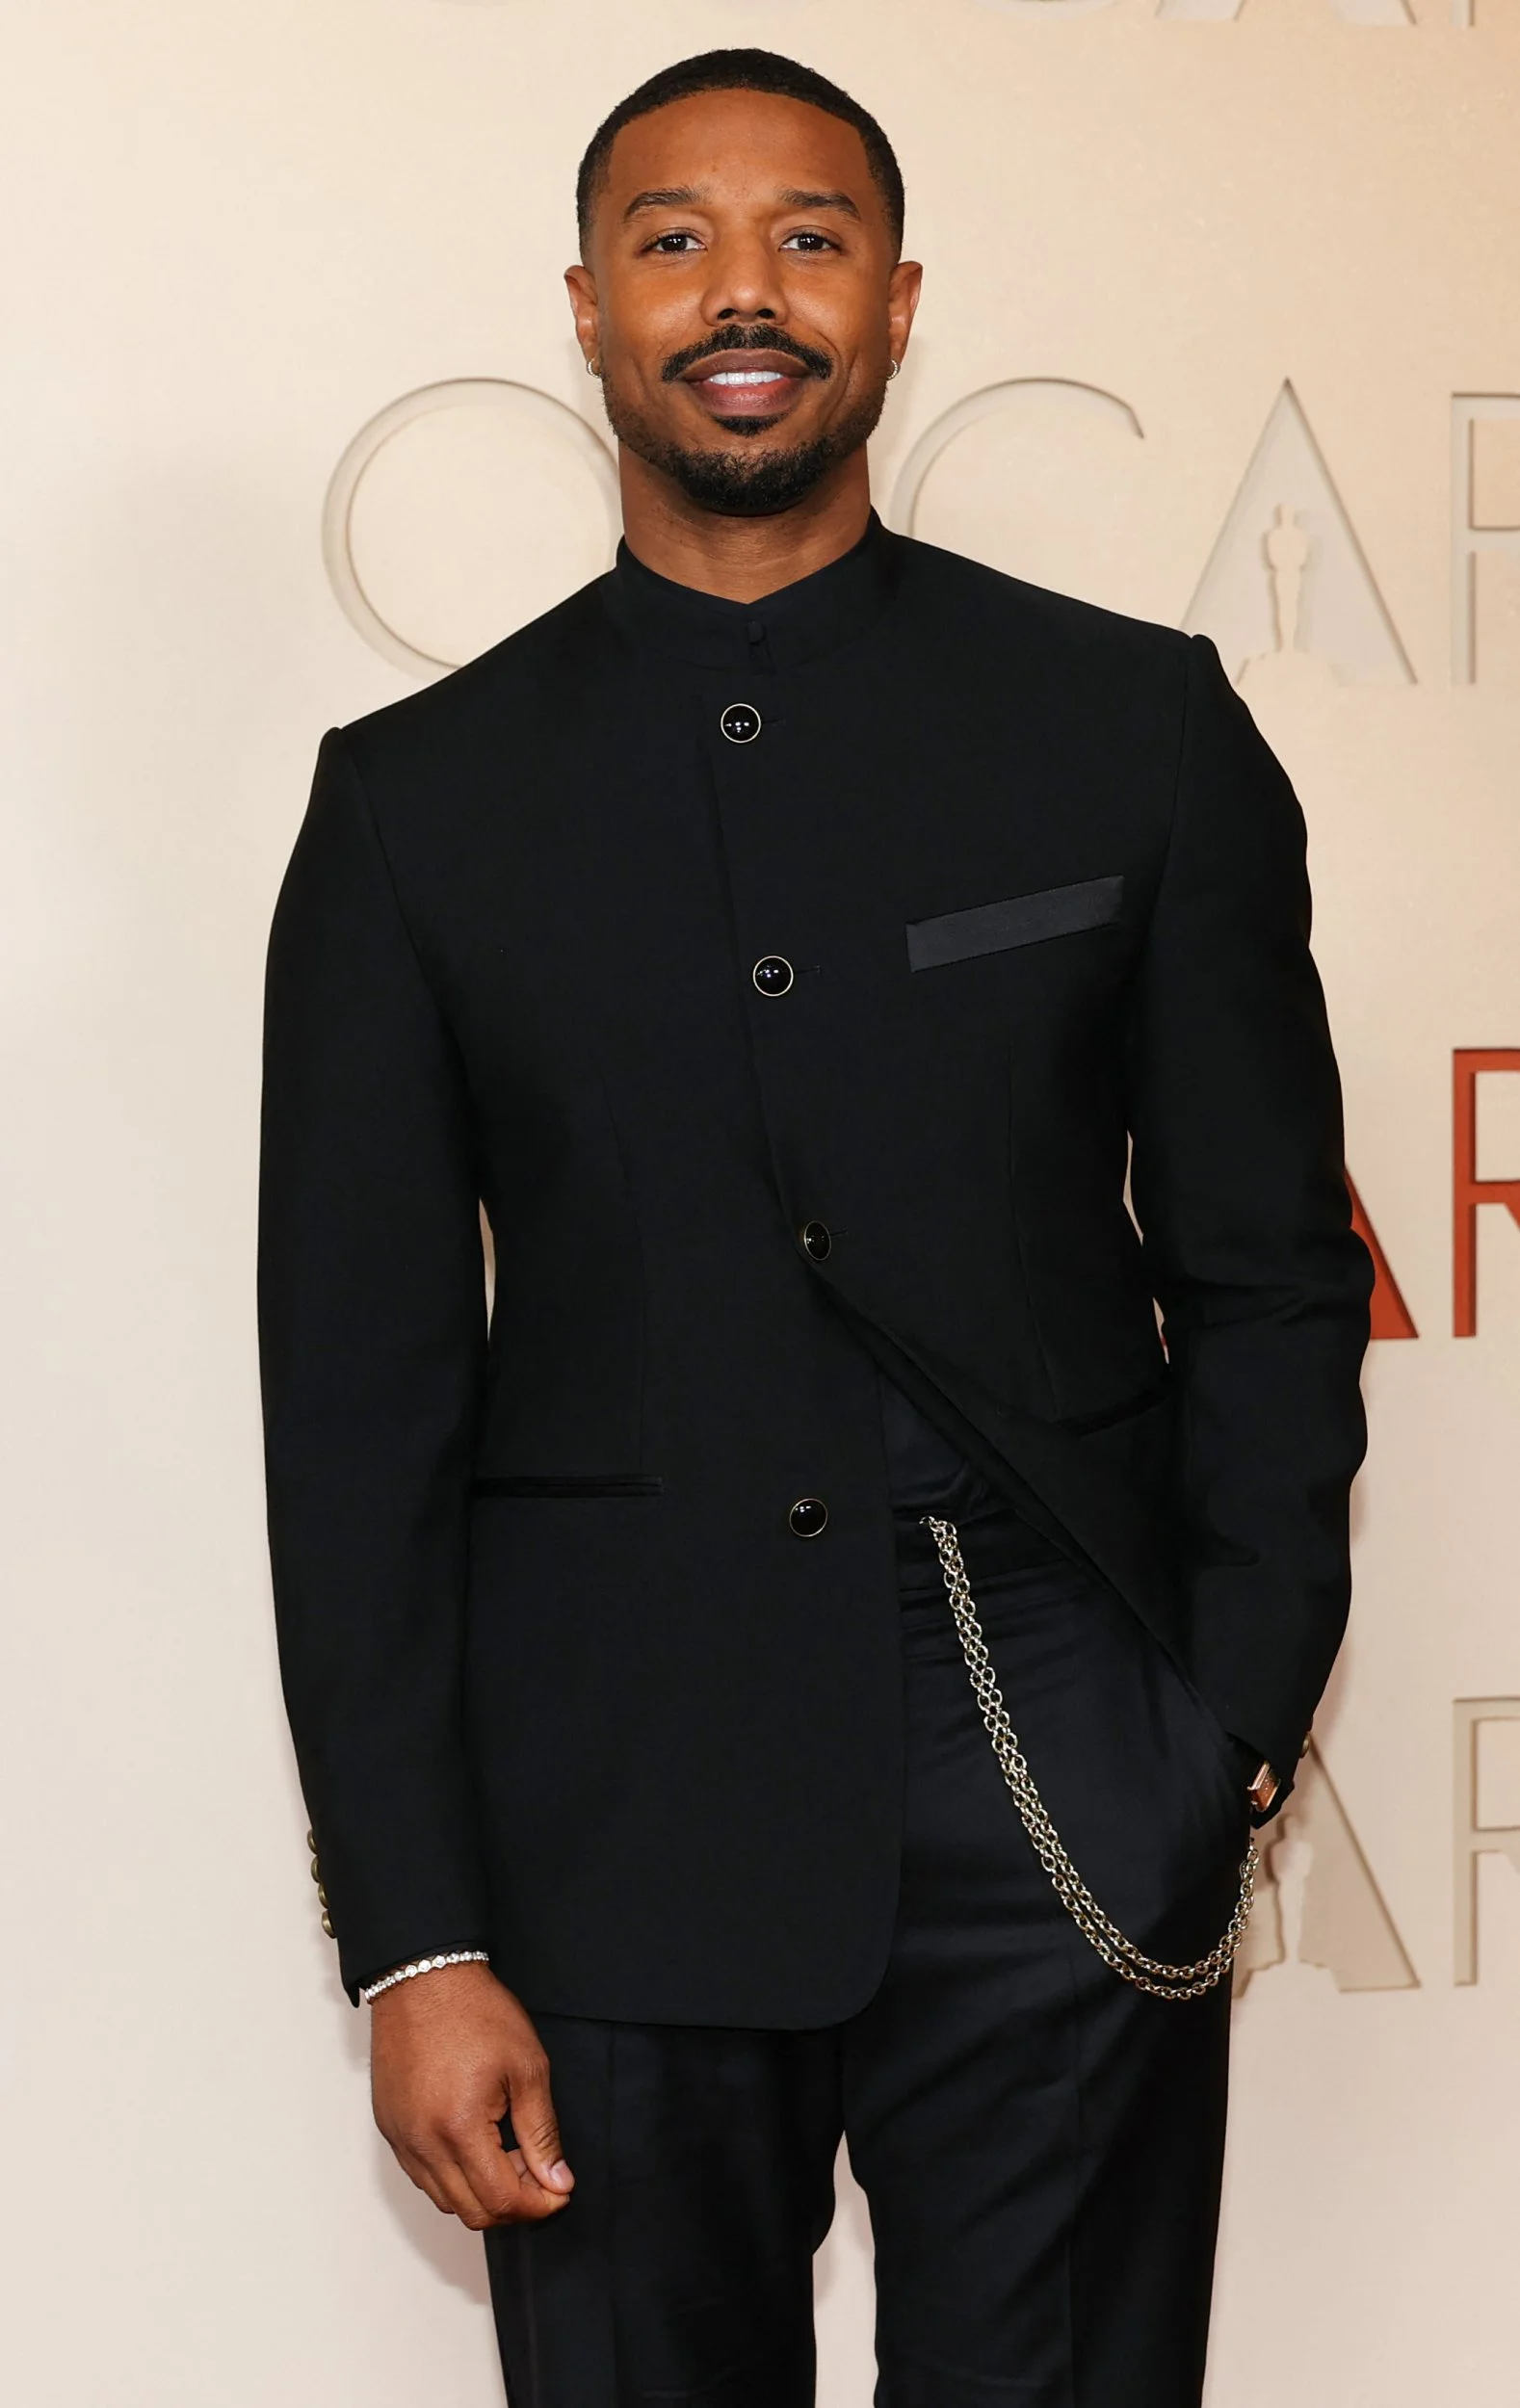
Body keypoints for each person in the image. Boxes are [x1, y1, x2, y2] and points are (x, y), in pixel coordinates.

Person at [256, 47, 1373, 2407]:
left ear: (895, 301)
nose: (740, 291)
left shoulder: (1131, 727)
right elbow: (358, 1411)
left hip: (1054, 1728)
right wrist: (414, 1936)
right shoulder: (413, 811)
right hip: (609, 1788)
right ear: (585, 305)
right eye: (675, 238)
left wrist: (1225, 1731)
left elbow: (1273, 1266)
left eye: (808, 235)